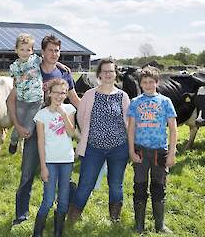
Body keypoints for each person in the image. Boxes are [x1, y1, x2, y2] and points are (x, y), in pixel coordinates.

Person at [8, 34, 80, 226]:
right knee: (27, 174)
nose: (54, 54)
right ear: (42, 52)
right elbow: (11, 99)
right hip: (33, 133)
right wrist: (17, 125)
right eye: (50, 50)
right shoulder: (30, 69)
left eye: (57, 50)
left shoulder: (64, 73)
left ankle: (67, 209)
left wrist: (91, 117)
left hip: (59, 135)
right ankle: (21, 215)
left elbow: (74, 101)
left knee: (64, 175)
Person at [68, 59, 130, 224]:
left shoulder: (123, 96)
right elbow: (81, 118)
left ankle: (115, 218)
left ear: (115, 74)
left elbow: (128, 123)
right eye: (105, 71)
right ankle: (73, 217)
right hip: (93, 148)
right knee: (86, 183)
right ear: (99, 74)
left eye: (111, 71)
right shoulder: (89, 95)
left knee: (116, 184)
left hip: (119, 148)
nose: (108, 74)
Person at [127, 66, 177, 233]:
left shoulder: (165, 102)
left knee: (159, 186)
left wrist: (171, 153)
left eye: (151, 82)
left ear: (157, 82)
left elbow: (173, 129)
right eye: (144, 82)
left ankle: (160, 225)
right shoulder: (135, 102)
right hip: (140, 150)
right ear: (140, 84)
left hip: (159, 151)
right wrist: (131, 151)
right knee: (140, 186)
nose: (148, 85)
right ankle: (139, 225)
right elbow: (131, 128)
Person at [7, 33, 71, 154]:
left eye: (28, 50)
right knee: (18, 125)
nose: (25, 52)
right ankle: (14, 140)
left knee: (29, 127)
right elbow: (15, 81)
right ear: (16, 50)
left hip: (37, 100)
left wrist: (59, 64)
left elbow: (48, 59)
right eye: (22, 49)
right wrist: (22, 78)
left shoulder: (35, 59)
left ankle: (25, 137)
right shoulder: (14, 66)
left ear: (32, 51)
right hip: (22, 100)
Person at [32, 78, 76, 237]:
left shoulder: (69, 109)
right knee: (48, 199)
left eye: (63, 93)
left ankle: (58, 232)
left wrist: (63, 114)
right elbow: (40, 141)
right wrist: (43, 166)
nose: (59, 96)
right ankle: (37, 233)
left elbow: (71, 133)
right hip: (50, 161)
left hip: (66, 160)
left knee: (63, 200)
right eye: (56, 92)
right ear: (49, 93)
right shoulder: (41, 115)